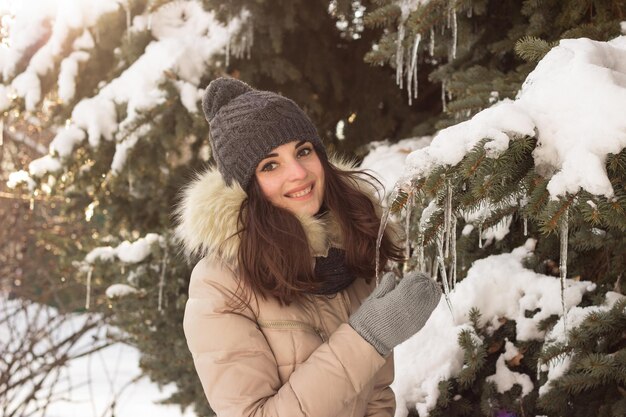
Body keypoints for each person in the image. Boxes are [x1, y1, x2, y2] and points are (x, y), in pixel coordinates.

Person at [175, 77, 441, 417]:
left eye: (303, 151)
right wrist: (367, 337)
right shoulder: (220, 285)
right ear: (245, 188)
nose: (299, 173)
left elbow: (376, 396)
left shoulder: (352, 248)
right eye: (270, 165)